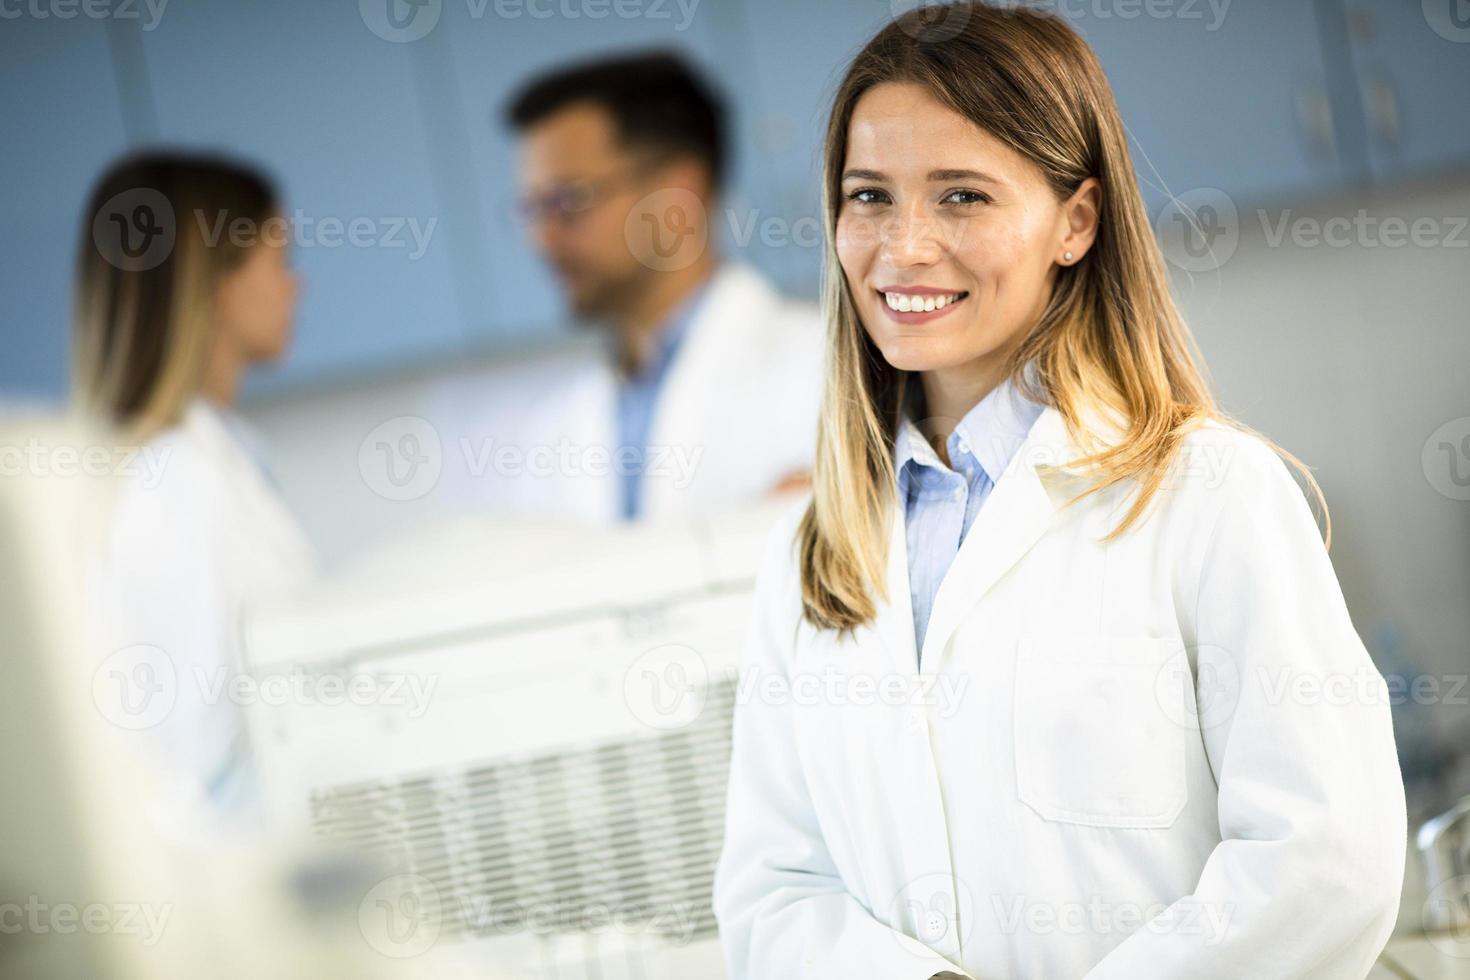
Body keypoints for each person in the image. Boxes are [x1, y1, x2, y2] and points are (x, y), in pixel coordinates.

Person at [713, 5, 1406, 978]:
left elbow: (1326, 860)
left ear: (1074, 222)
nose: (904, 246)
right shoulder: (811, 554)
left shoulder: (1210, 495)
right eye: (869, 195)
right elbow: (773, 890)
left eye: (961, 196)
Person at [439, 51, 822, 523]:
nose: (539, 238)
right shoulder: (562, 427)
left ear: (677, 196)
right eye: (531, 209)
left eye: (566, 201)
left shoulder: (825, 369)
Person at [77, 152, 316, 826]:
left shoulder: (211, 461)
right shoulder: (174, 480)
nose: (296, 287)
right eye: (281, 260)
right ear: (221, 285)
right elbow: (195, 748)